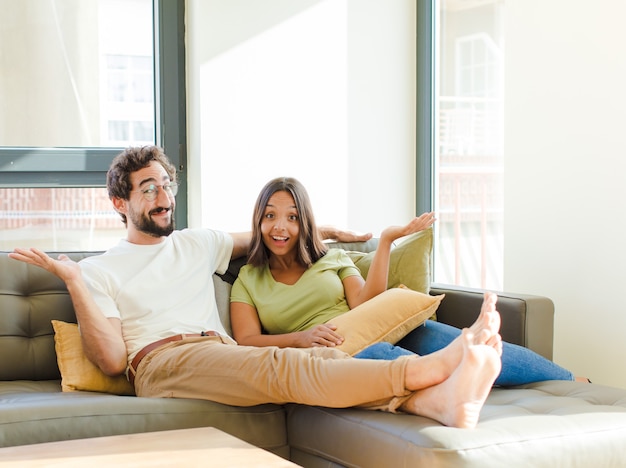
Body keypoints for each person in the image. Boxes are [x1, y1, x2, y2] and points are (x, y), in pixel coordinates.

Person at [9, 145, 503, 430]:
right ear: (120, 202)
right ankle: (430, 370)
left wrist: (326, 231)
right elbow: (114, 361)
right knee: (287, 362)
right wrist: (73, 279)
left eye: (166, 184)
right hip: (162, 362)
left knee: (321, 362)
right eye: (148, 188)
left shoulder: (198, 242)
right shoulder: (98, 269)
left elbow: (271, 232)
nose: (163, 197)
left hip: (221, 355)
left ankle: (434, 401)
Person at [230, 176, 580, 387]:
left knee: (463, 341)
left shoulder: (332, 259)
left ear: (304, 222)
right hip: (335, 354)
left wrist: (385, 242)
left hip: (379, 327)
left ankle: (571, 381)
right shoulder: (248, 278)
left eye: (292, 217)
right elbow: (246, 339)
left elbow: (366, 304)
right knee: (382, 357)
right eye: (270, 216)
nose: (281, 227)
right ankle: (450, 377)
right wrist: (301, 339)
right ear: (258, 221)